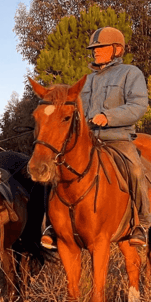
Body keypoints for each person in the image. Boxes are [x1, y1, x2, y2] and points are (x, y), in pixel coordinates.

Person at [41, 27, 150, 248]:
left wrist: (108, 116)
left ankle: (142, 224)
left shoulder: (130, 73)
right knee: (53, 170)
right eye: (94, 48)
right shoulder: (86, 81)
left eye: (100, 48)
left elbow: (138, 105)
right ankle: (51, 225)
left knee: (136, 169)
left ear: (116, 49)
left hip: (117, 137)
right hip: (88, 142)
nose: (95, 52)